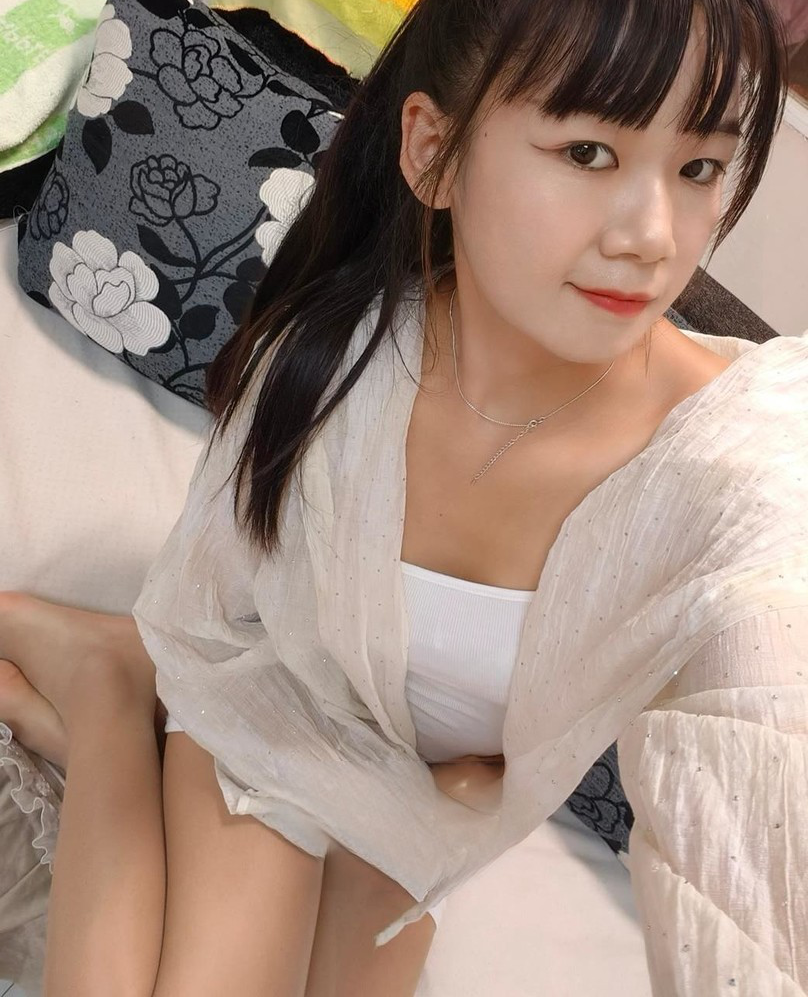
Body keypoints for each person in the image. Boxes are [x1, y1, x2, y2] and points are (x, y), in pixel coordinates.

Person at [1, 0, 806, 994]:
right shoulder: (335, 359)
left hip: (432, 799)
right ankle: (108, 691)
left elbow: (765, 782)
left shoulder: (743, 460)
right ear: (434, 153)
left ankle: (113, 675)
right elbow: (223, 608)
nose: (652, 235)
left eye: (700, 169)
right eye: (588, 152)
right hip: (278, 697)